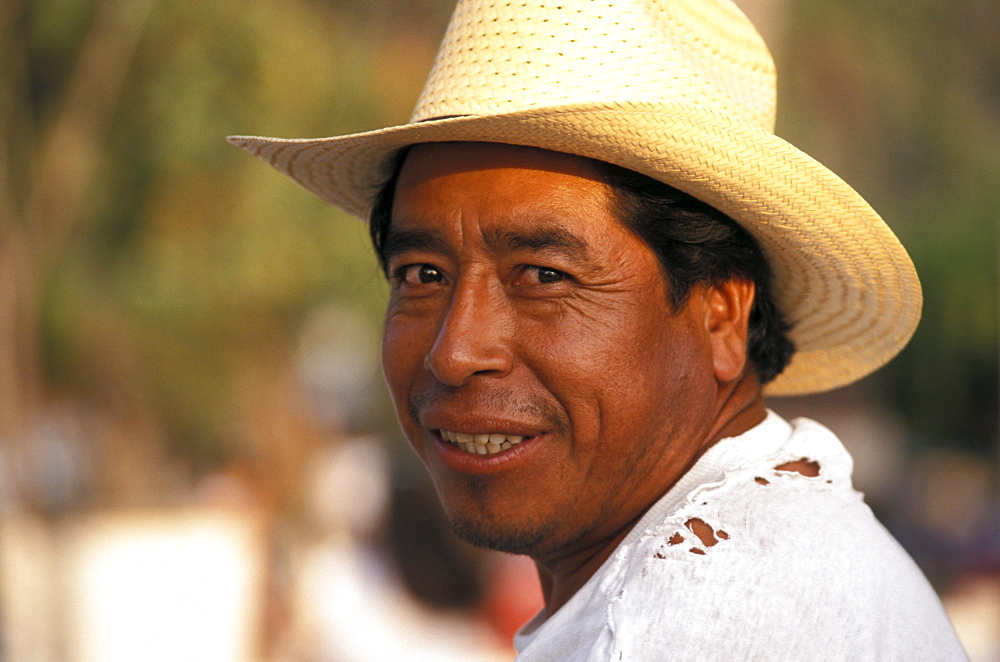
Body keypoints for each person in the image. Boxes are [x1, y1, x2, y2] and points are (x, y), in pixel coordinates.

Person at [231, 0, 968, 658]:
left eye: (544, 276)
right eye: (422, 275)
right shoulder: (742, 566)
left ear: (722, 315)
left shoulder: (698, 615)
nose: (455, 351)